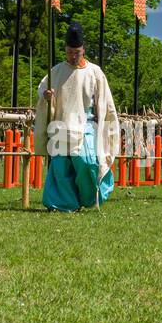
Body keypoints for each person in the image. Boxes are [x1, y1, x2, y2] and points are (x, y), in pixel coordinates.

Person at [34, 22, 120, 211]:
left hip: (86, 125)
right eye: (69, 52)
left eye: (77, 52)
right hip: (60, 124)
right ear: (65, 50)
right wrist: (47, 97)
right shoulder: (55, 72)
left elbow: (106, 103)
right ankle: (64, 204)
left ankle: (88, 198)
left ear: (83, 50)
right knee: (60, 167)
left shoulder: (95, 72)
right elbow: (43, 93)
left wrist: (105, 124)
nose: (73, 56)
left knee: (87, 162)